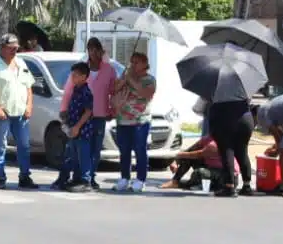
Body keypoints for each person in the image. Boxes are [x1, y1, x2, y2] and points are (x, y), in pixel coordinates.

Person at [0, 33, 37, 190]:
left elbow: (29, 86)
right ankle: (0, 176)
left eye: (16, 48)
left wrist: (29, 105)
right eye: (11, 48)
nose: (14, 51)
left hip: (21, 112)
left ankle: (25, 176)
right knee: (0, 146)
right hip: (3, 112)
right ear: (2, 48)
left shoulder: (21, 63)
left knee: (24, 146)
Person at [112, 51, 157, 193]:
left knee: (140, 150)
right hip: (123, 120)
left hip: (140, 121)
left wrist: (129, 78)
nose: (133, 65)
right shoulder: (125, 77)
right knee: (124, 151)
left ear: (144, 64)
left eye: (136, 62)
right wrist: (122, 81)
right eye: (132, 62)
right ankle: (124, 178)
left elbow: (144, 92)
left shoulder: (149, 79)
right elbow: (114, 90)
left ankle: (140, 179)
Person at [51, 62, 95, 192]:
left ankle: (86, 181)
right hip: (73, 129)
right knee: (73, 155)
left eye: (75, 75)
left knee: (83, 156)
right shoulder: (76, 89)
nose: (72, 78)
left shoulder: (86, 92)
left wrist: (77, 127)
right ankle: (76, 179)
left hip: (82, 130)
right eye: (72, 75)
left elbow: (88, 112)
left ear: (84, 76)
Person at [81, 38, 116, 189]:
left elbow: (114, 92)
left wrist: (112, 110)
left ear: (101, 51)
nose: (93, 53)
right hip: (83, 115)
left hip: (100, 114)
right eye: (90, 49)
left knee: (96, 148)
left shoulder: (109, 69)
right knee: (83, 147)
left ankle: (91, 176)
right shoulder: (82, 68)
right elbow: (71, 89)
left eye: (96, 49)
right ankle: (84, 176)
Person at [207, 93, 256, 198]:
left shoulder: (215, 86)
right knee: (242, 151)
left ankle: (229, 186)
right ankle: (247, 186)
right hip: (245, 119)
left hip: (225, 119)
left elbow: (201, 106)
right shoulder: (243, 86)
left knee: (227, 150)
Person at [158, 133, 222, 191]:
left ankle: (183, 185)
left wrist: (178, 155)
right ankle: (175, 181)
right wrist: (175, 161)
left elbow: (198, 154)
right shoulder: (207, 138)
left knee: (200, 172)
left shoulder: (220, 141)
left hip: (220, 172)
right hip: (209, 167)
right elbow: (189, 150)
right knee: (187, 157)